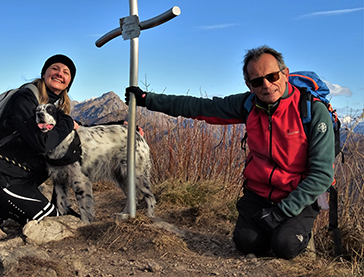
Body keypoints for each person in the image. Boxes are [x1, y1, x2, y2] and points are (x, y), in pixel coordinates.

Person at [125, 45, 335, 259]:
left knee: (285, 246)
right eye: (257, 81)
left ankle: (299, 238)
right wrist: (146, 99)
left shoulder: (311, 111)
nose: (267, 85)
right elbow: (198, 106)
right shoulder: (248, 104)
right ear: (249, 85)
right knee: (246, 243)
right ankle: (275, 231)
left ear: (285, 73)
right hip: (260, 194)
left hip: (297, 195)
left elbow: (322, 175)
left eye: (272, 76)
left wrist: (282, 212)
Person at [0, 54, 80, 235]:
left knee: (74, 221)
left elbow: (78, 130)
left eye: (66, 72)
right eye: (55, 68)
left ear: (68, 83)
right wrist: (67, 121)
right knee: (60, 226)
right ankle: (1, 203)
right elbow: (42, 143)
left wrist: (119, 126)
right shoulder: (25, 98)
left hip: (26, 181)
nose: (60, 73)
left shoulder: (50, 108)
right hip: (7, 179)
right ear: (44, 73)